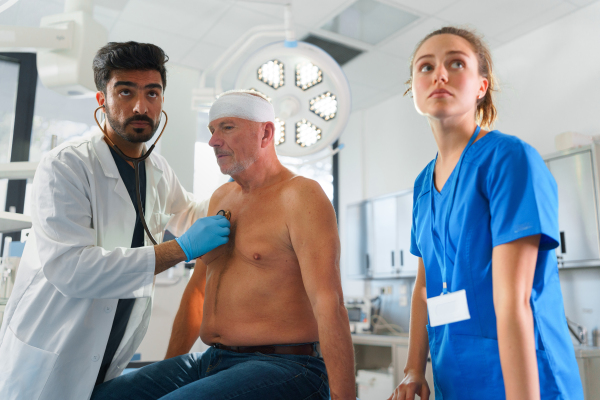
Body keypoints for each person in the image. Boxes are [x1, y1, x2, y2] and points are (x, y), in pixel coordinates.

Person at [0, 42, 230, 400]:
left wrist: (243, 192)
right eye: (126, 91)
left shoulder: (157, 169)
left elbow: (189, 214)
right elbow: (71, 269)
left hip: (104, 360)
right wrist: (180, 249)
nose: (141, 106)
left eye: (152, 92)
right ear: (101, 100)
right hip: (47, 361)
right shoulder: (67, 165)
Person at [91, 90, 356, 400]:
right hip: (212, 360)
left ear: (266, 132)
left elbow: (330, 303)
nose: (213, 141)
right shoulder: (222, 198)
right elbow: (198, 292)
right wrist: (169, 370)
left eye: (227, 127)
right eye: (211, 130)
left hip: (285, 365)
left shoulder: (300, 196)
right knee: (103, 397)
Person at [388, 27, 583, 400]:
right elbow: (425, 287)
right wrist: (414, 368)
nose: (439, 74)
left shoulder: (508, 159)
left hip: (525, 381)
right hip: (456, 379)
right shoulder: (421, 185)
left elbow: (513, 299)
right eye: (425, 67)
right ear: (413, 88)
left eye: (456, 63)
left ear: (481, 86)